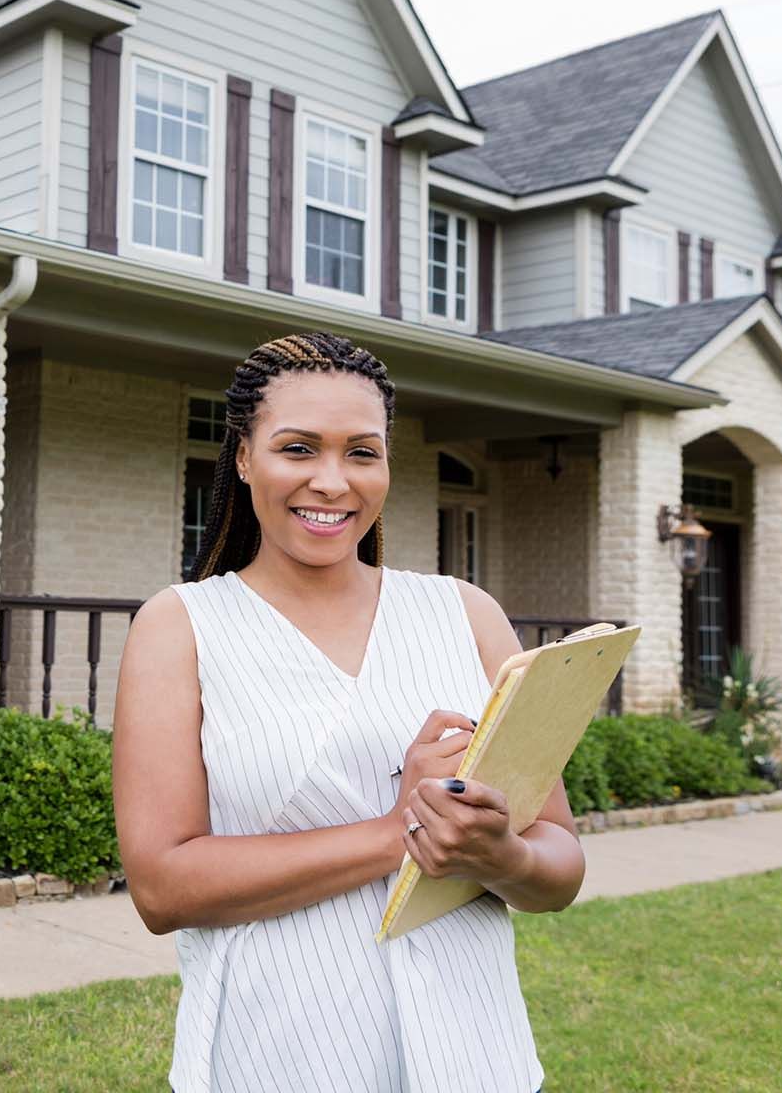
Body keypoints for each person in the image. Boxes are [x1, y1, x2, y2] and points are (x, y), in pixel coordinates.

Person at [112, 331, 585, 1093]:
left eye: (362, 453)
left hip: (475, 1054)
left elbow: (559, 864)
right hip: (278, 1054)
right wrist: (399, 829)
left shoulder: (465, 614)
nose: (332, 482)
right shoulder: (181, 626)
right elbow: (163, 889)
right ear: (242, 457)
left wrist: (504, 856)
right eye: (298, 448)